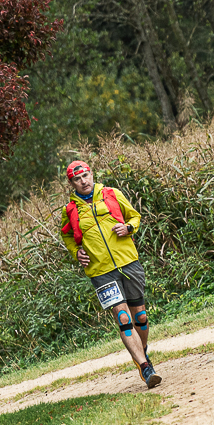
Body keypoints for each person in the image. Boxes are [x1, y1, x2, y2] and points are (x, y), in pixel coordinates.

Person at [58, 159, 162, 388]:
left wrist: (129, 228)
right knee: (124, 319)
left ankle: (141, 352)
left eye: (85, 175)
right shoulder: (71, 210)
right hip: (100, 271)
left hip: (128, 262)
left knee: (140, 318)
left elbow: (134, 216)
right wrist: (76, 252)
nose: (83, 181)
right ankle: (145, 368)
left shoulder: (112, 194)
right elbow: (66, 235)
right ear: (72, 183)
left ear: (92, 174)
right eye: (77, 179)